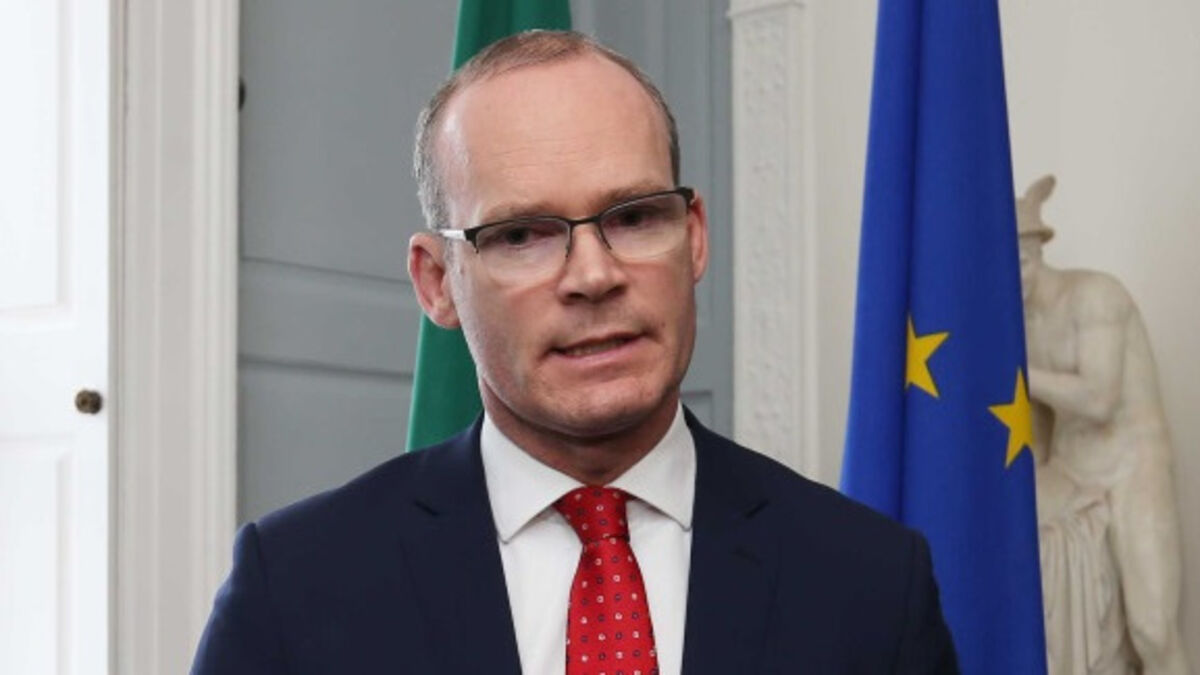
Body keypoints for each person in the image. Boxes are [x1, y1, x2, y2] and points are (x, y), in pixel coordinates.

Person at [192, 30, 957, 674]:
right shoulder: (296, 585)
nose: (593, 275)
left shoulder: (871, 581)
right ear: (438, 282)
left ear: (693, 237)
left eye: (634, 217)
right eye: (522, 234)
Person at [1018, 176, 1188, 675]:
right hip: (1072, 465)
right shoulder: (1019, 322)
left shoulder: (1096, 298)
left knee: (1153, 630)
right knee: (1005, 532)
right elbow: (1038, 420)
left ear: (1034, 255)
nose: (1014, 274)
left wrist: (1021, 373)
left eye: (1021, 261)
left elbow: (1098, 399)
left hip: (1132, 465)